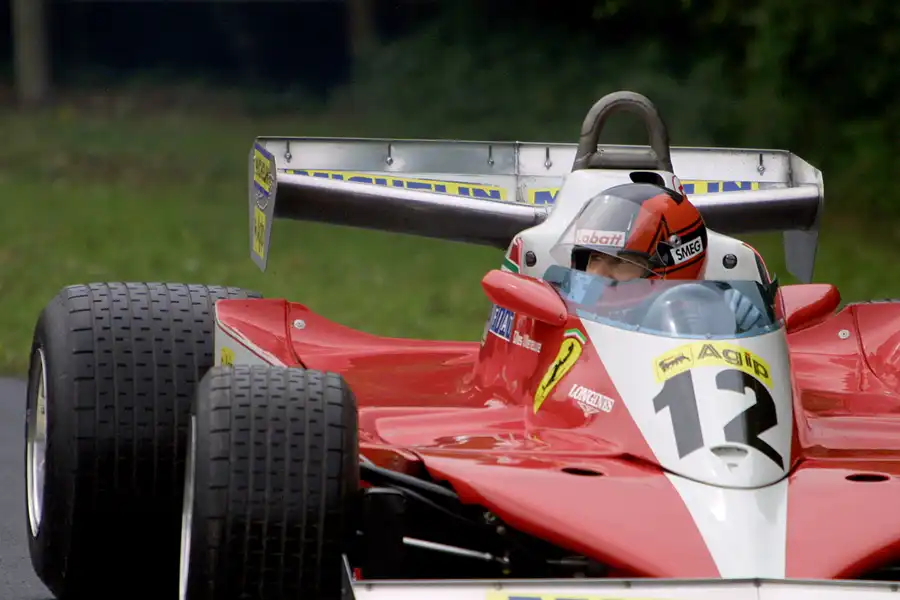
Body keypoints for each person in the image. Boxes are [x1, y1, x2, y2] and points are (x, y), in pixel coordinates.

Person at [553, 180, 764, 331]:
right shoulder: (558, 307)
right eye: (594, 258)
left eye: (619, 261)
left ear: (675, 264)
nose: (596, 274)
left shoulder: (730, 312)